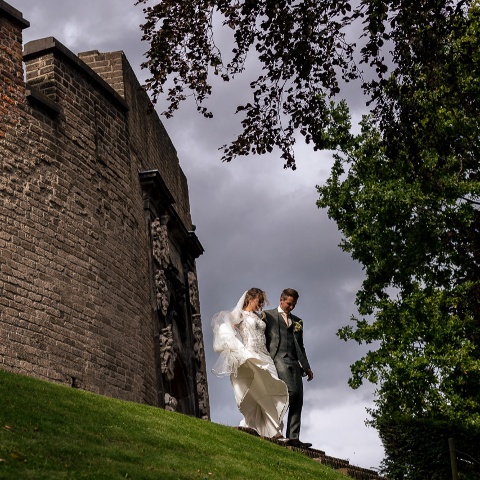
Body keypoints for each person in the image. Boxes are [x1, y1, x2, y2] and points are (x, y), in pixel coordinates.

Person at [211, 288, 289, 439]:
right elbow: (225, 328)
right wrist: (235, 345)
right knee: (257, 390)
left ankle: (272, 429)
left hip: (265, 355)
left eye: (262, 302)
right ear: (249, 299)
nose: (261, 304)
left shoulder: (260, 316)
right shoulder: (239, 315)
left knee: (272, 385)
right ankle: (273, 432)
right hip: (250, 353)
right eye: (259, 301)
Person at [264, 288, 314, 448]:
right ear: (281, 300)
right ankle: (272, 426)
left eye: (294, 305)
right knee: (290, 391)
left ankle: (294, 437)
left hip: (294, 361)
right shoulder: (268, 315)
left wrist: (306, 367)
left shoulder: (298, 321)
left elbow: (301, 345)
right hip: (278, 357)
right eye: (289, 304)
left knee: (298, 398)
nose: (291, 307)